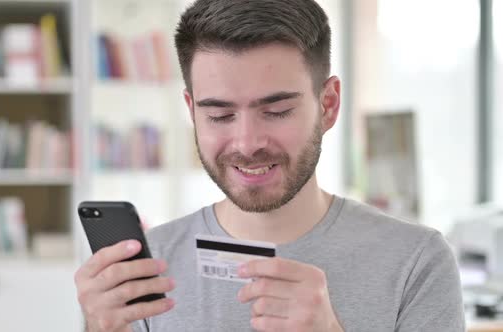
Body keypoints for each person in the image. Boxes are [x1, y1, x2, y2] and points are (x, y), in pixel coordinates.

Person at [74, 0, 465, 331]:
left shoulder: (417, 261)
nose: (247, 144)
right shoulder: (144, 269)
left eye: (276, 111)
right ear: (192, 111)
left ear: (327, 105)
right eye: (220, 115)